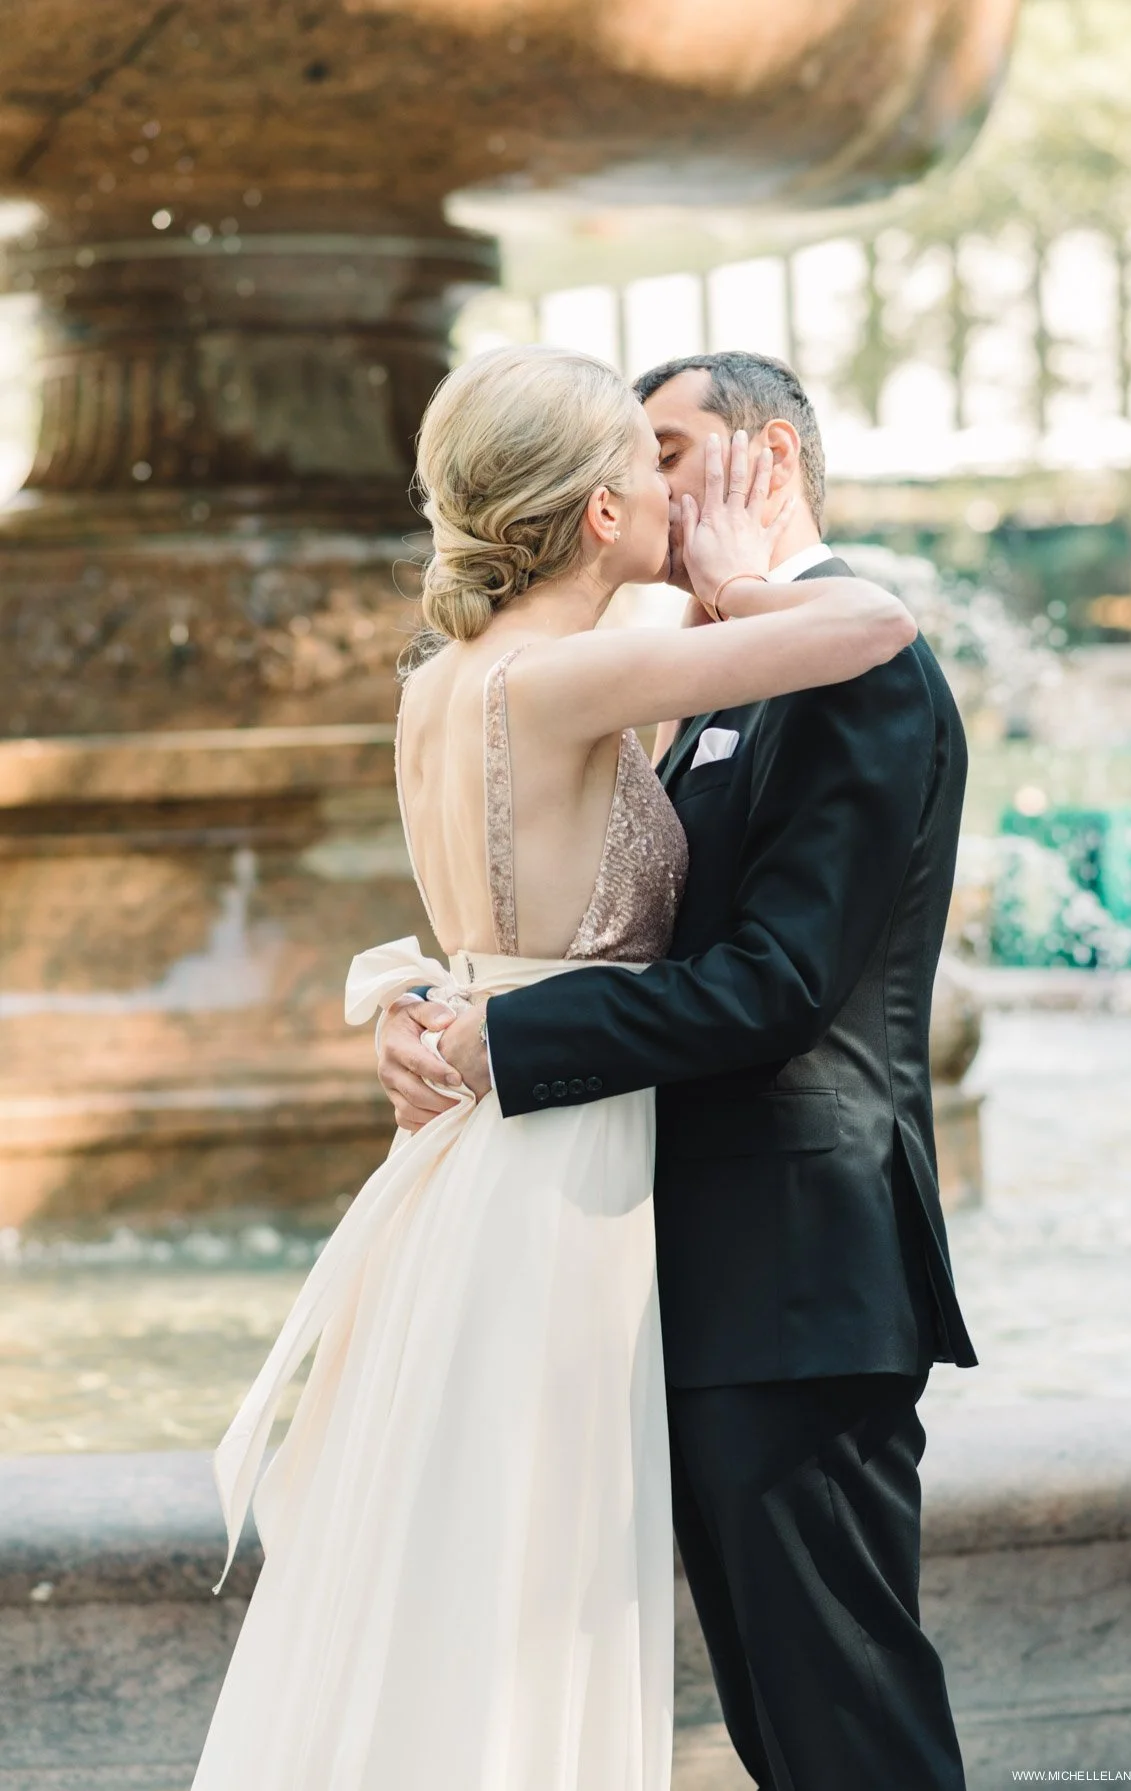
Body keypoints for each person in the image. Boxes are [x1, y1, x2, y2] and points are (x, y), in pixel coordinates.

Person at [192, 343, 915, 1791]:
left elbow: (491, 939)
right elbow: (878, 623)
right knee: (528, 1564)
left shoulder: (442, 685)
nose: (676, 493)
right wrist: (739, 581)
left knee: (446, 1552)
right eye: (652, 467)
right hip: (555, 1168)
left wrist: (414, 1006)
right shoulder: (580, 674)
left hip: (475, 1147)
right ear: (599, 510)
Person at [380, 350, 978, 1790]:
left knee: (849, 1727)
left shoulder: (853, 666)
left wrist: (503, 1040)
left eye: (666, 446)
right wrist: (431, 998)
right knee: (781, 1732)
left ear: (766, 457)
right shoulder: (712, 669)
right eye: (628, 456)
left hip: (797, 1277)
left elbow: (778, 985)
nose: (642, 483)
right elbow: (587, 920)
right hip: (673, 1268)